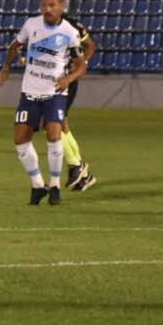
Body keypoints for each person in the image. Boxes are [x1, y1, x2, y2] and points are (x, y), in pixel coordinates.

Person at [0, 0, 86, 206]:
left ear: (61, 6)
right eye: (44, 4)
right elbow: (15, 46)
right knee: (20, 139)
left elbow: (81, 65)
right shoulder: (31, 24)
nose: (47, 9)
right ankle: (37, 186)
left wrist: (68, 79)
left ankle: (54, 185)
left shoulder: (69, 33)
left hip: (54, 94)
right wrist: (6, 67)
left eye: (52, 5)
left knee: (54, 134)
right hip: (29, 93)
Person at [58, 12, 98, 191]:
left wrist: (83, 63)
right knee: (62, 125)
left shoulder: (72, 24)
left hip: (68, 79)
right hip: (50, 80)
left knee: (52, 123)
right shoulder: (42, 25)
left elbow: (90, 46)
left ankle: (76, 165)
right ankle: (84, 175)